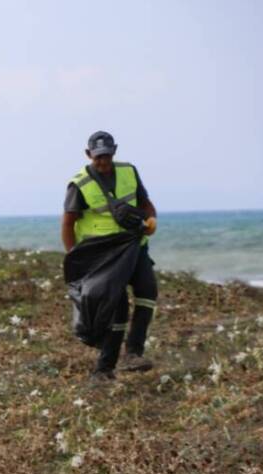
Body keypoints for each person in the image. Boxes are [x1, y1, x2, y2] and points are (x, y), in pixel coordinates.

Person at [62, 131, 158, 379]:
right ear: (88, 155)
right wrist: (75, 258)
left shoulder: (129, 171)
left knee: (147, 292)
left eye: (106, 156)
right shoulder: (79, 184)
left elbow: (145, 202)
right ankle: (104, 369)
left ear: (114, 151)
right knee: (118, 310)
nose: (102, 162)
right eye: (97, 158)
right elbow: (67, 223)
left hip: (134, 245)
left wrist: (151, 219)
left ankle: (134, 353)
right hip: (102, 255)